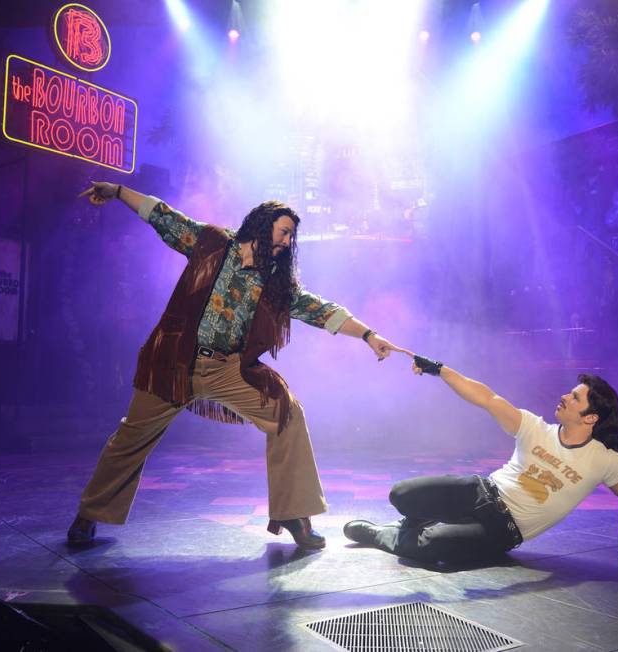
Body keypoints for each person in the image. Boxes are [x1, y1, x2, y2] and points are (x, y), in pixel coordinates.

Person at [67, 181, 405, 549]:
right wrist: (117, 191)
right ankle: (90, 514)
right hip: (174, 362)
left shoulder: (274, 281)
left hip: (227, 369)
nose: (288, 242)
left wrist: (369, 335)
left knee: (286, 413)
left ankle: (294, 513)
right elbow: (161, 215)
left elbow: (317, 308)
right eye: (285, 231)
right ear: (262, 224)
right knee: (131, 437)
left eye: (292, 236)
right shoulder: (212, 243)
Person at [343, 354, 618, 569]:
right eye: (570, 392)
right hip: (480, 491)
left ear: (590, 417)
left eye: (575, 397)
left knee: (432, 547)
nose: (565, 397)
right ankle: (414, 520)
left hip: (503, 530)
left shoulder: (605, 461)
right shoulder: (534, 427)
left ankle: (380, 535)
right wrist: (439, 370)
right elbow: (486, 397)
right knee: (400, 494)